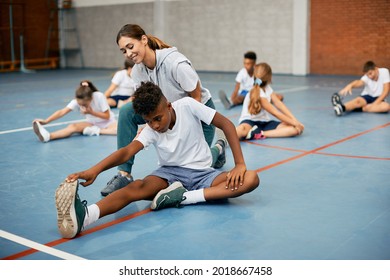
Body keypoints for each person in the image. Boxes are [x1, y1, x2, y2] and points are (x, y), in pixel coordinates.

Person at [55, 82, 260, 239]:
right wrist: (95, 170)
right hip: (168, 175)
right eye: (148, 121)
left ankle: (184, 197)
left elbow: (226, 124)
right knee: (136, 187)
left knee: (250, 179)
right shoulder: (151, 130)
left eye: (157, 118)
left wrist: (240, 164)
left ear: (169, 106)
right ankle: (85, 217)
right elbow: (126, 152)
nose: (154, 125)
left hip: (203, 173)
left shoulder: (188, 105)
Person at [100, 23, 226, 197]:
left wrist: (183, 134)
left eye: (131, 46)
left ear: (144, 40)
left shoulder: (175, 63)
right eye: (124, 51)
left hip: (198, 116)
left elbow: (196, 99)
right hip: (165, 114)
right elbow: (144, 104)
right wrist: (147, 125)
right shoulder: (137, 72)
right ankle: (124, 174)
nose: (128, 53)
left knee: (193, 165)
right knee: (127, 110)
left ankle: (219, 148)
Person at [236, 62, 304, 140]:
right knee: (241, 130)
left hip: (265, 123)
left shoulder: (268, 88)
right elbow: (276, 113)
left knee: (295, 129)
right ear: (269, 78)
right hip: (249, 122)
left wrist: (295, 121)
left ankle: (259, 134)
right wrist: (296, 123)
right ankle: (225, 139)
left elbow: (279, 104)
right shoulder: (259, 94)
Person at [32, 80, 117, 143]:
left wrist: (91, 113)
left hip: (108, 122)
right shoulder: (76, 101)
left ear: (90, 98)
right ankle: (48, 136)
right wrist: (46, 121)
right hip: (92, 123)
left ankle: (96, 131)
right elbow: (62, 112)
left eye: (84, 104)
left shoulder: (99, 96)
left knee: (118, 130)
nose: (82, 106)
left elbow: (107, 116)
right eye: (80, 104)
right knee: (73, 126)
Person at [219, 51, 283, 110]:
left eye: (248, 64)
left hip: (255, 91)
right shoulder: (242, 72)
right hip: (244, 93)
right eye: (245, 63)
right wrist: (232, 99)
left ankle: (257, 101)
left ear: (254, 64)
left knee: (279, 96)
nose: (246, 66)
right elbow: (236, 88)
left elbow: (261, 84)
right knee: (240, 98)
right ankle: (230, 103)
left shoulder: (258, 72)